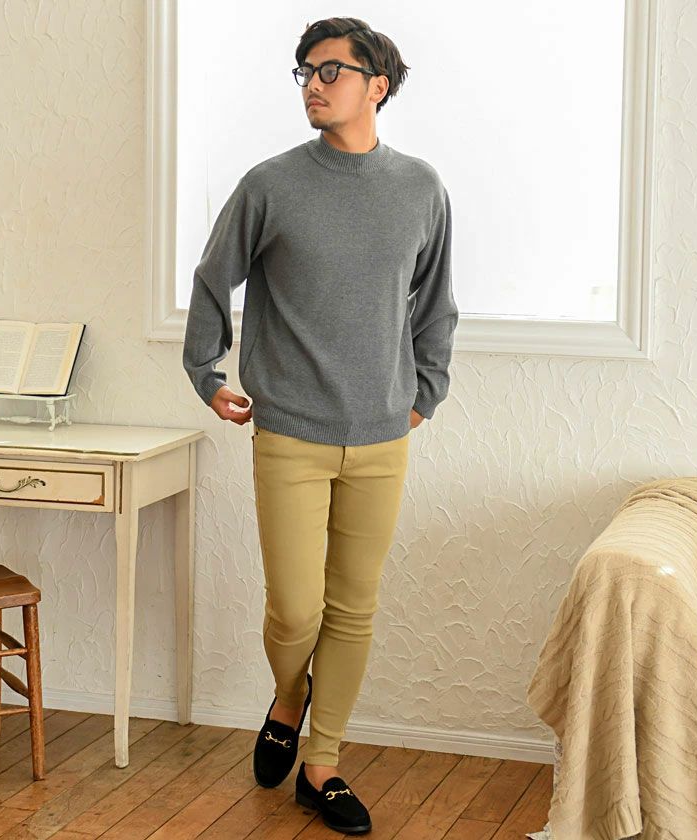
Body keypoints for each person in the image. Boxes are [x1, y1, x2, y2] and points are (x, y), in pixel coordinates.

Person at [182, 16, 458, 835]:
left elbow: (436, 304)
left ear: (378, 85)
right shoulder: (271, 184)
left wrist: (424, 394)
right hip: (291, 435)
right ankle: (289, 696)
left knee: (354, 608)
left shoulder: (420, 188)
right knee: (297, 610)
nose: (313, 82)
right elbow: (213, 279)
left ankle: (323, 762)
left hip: (382, 436)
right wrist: (206, 375)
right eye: (305, 69)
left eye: (332, 69)